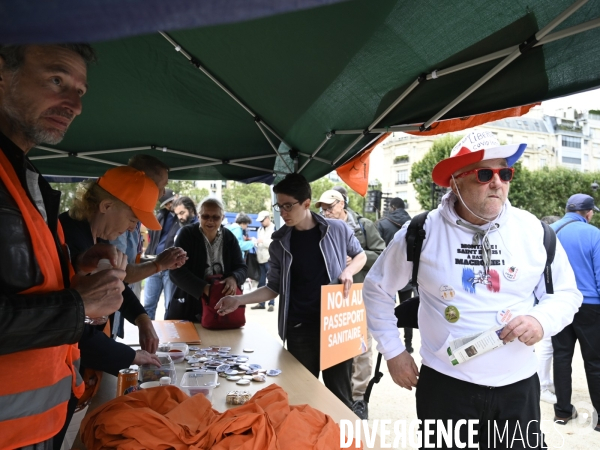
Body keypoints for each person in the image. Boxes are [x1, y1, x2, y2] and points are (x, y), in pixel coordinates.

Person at [363, 131, 582, 447]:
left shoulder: (534, 230)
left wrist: (541, 321)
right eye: (484, 174)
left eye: (504, 173)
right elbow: (376, 290)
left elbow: (566, 293)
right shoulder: (421, 232)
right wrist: (394, 351)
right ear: (455, 181)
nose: (497, 183)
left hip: (518, 388)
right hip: (447, 389)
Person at [0, 43, 127, 449]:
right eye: (57, 80)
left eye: (80, 92)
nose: (74, 103)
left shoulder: (27, 177)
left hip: (41, 425)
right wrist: (79, 306)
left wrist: (75, 269)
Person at [216, 173, 367, 409]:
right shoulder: (279, 243)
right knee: (301, 397)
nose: (283, 212)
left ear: (306, 203)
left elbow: (360, 255)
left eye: (288, 206)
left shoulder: (337, 229)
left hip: (336, 326)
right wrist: (238, 300)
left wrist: (349, 272)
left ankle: (342, 443)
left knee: (339, 397)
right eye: (279, 206)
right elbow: (273, 288)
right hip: (299, 329)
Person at [58, 166, 163, 444]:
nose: (132, 228)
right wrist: (129, 357)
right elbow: (70, 322)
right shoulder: (64, 240)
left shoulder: (98, 238)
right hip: (61, 369)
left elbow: (120, 288)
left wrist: (142, 318)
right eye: (132, 219)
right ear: (106, 205)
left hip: (85, 364)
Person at [317, 187, 386, 420]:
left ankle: (358, 399)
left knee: (361, 346)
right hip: (334, 298)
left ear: (342, 204)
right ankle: (339, 395)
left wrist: (358, 258)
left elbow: (381, 253)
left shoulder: (364, 225)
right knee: (336, 345)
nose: (326, 212)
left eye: (330, 207)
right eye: (323, 208)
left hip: (359, 294)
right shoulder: (321, 226)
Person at [550, 194, 600, 430]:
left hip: (558, 303)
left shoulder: (549, 231)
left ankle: (562, 412)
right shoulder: (594, 234)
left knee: (561, 358)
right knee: (595, 362)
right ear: (588, 213)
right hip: (590, 305)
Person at [168, 198, 247, 319]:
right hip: (189, 305)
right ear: (199, 216)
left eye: (215, 217)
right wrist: (204, 288)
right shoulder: (187, 234)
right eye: (205, 216)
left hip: (221, 307)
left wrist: (234, 278)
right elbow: (176, 271)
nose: (210, 221)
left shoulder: (229, 237)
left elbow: (242, 267)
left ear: (222, 217)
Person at [108, 154, 172, 298]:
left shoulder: (131, 215)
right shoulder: (119, 218)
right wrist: (158, 264)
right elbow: (122, 272)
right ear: (147, 185)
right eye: (162, 187)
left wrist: (160, 261)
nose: (163, 194)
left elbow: (131, 262)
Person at [377, 197, 415, 353]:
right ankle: (408, 344)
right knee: (407, 310)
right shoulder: (415, 223)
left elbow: (378, 250)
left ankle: (390, 345)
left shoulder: (382, 224)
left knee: (386, 311)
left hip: (388, 277)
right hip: (408, 275)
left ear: (392, 207)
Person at [144, 188, 181, 319]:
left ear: (176, 197)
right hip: (154, 261)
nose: (169, 205)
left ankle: (169, 335)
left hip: (170, 266)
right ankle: (147, 333)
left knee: (169, 304)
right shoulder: (160, 216)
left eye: (170, 202)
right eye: (166, 204)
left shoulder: (182, 218)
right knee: (148, 304)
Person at [537, 215, 562, 405]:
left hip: (549, 298)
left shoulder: (547, 238)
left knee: (551, 346)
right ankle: (543, 384)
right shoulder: (544, 238)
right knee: (547, 345)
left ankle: (546, 382)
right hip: (545, 300)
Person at [250, 210, 276, 311]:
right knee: (261, 282)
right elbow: (259, 242)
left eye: (262, 220)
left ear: (267, 218)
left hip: (270, 259)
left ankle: (271, 304)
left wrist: (263, 241)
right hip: (260, 259)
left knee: (271, 282)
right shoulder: (260, 229)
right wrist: (255, 242)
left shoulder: (274, 228)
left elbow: (274, 244)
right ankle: (261, 303)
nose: (261, 222)